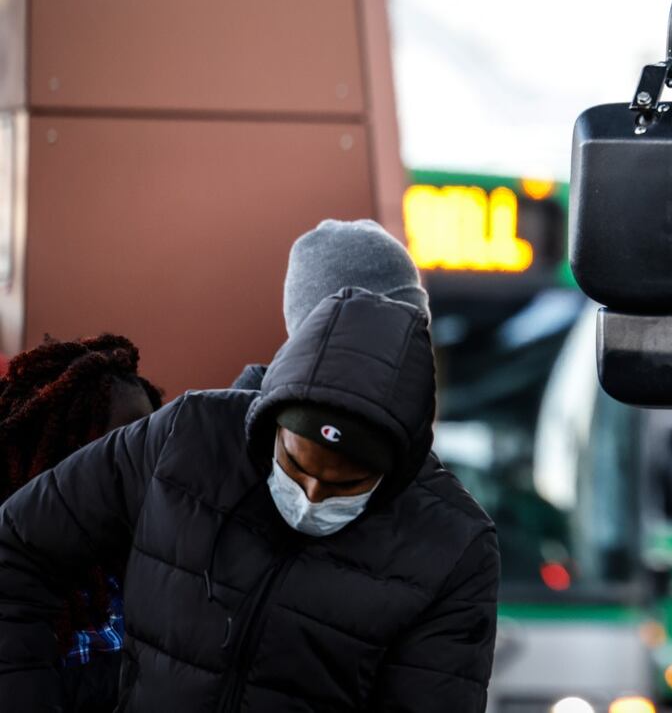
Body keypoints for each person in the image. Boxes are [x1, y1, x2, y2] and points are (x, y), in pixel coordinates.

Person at [0, 287, 499, 712]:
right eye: (297, 464)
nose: (311, 496)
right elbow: (17, 547)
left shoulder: (453, 548)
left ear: (396, 473)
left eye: (345, 485)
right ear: (269, 424)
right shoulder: (188, 438)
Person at [0, 335, 162, 713]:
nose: (141, 468)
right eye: (115, 452)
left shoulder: (151, 561)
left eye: (148, 445)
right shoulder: (24, 584)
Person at [232, 217, 431, 391]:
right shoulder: (229, 430)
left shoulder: (397, 421)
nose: (407, 355)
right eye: (393, 333)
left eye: (414, 334)